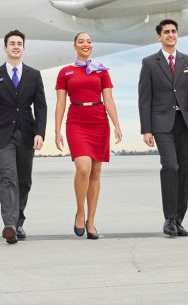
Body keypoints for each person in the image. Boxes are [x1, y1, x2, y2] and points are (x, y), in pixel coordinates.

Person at [138, 19, 188, 237]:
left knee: (183, 171)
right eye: (166, 32)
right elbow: (144, 99)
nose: (171, 35)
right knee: (171, 166)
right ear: (159, 36)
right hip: (161, 123)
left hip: (184, 123)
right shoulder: (149, 63)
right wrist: (146, 129)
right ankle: (169, 219)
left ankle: (179, 219)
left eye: (174, 31)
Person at [55, 32, 122, 240]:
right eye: (81, 41)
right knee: (83, 168)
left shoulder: (102, 72)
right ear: (75, 46)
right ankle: (80, 211)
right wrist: (56, 130)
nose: (85, 44)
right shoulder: (65, 72)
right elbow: (60, 103)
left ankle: (91, 221)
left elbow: (109, 100)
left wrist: (117, 125)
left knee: (95, 173)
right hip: (76, 121)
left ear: (92, 47)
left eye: (89, 42)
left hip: (99, 121)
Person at [0, 30, 47, 244]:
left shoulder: (34, 75)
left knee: (24, 180)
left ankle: (19, 220)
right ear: (5, 47)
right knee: (8, 177)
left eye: (19, 43)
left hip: (27, 134)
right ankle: (9, 224)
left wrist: (40, 132)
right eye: (12, 43)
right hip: (2, 135)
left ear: (23, 48)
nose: (16, 46)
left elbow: (41, 106)